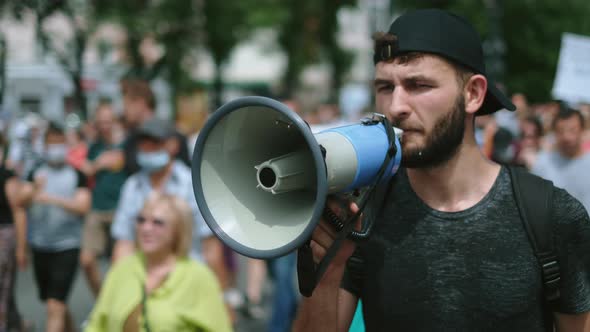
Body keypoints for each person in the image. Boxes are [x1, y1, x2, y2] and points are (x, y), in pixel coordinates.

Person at [293, 9, 590, 331]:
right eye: (384, 87)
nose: (396, 107)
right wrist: (325, 273)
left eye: (418, 85)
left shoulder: (551, 215)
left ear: (473, 93)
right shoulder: (364, 213)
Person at [109, 118, 231, 312]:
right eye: (143, 143)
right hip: (145, 286)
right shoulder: (132, 187)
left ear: (173, 145)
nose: (147, 148)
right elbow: (124, 244)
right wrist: (116, 292)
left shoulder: (194, 185)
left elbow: (210, 248)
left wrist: (222, 300)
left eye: (154, 143)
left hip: (189, 288)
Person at [84, 192, 232, 332]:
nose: (146, 228)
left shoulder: (198, 276)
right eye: (141, 220)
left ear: (177, 230)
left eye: (158, 222)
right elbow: (96, 324)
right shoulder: (122, 268)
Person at [24, 122, 91, 332]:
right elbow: (19, 200)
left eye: (59, 143)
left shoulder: (76, 174)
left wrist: (52, 199)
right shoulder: (35, 173)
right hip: (40, 245)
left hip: (67, 246)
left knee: (54, 306)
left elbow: (83, 206)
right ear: (44, 146)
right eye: (51, 144)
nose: (55, 148)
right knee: (54, 304)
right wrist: (32, 191)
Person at [79, 104, 128, 297]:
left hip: (120, 210)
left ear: (115, 121)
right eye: (100, 122)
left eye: (108, 121)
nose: (104, 126)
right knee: (86, 260)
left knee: (118, 264)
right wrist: (97, 163)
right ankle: (102, 302)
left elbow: (124, 161)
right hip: (97, 208)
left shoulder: (126, 144)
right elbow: (88, 169)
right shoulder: (95, 147)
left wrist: (104, 162)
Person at [0, 133, 33, 331]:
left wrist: (21, 248)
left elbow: (18, 210)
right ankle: (18, 324)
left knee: (3, 290)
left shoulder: (6, 176)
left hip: (3, 236)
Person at [532, 107, 590, 212]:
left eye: (573, 130)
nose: (567, 136)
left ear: (582, 130)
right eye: (561, 131)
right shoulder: (542, 163)